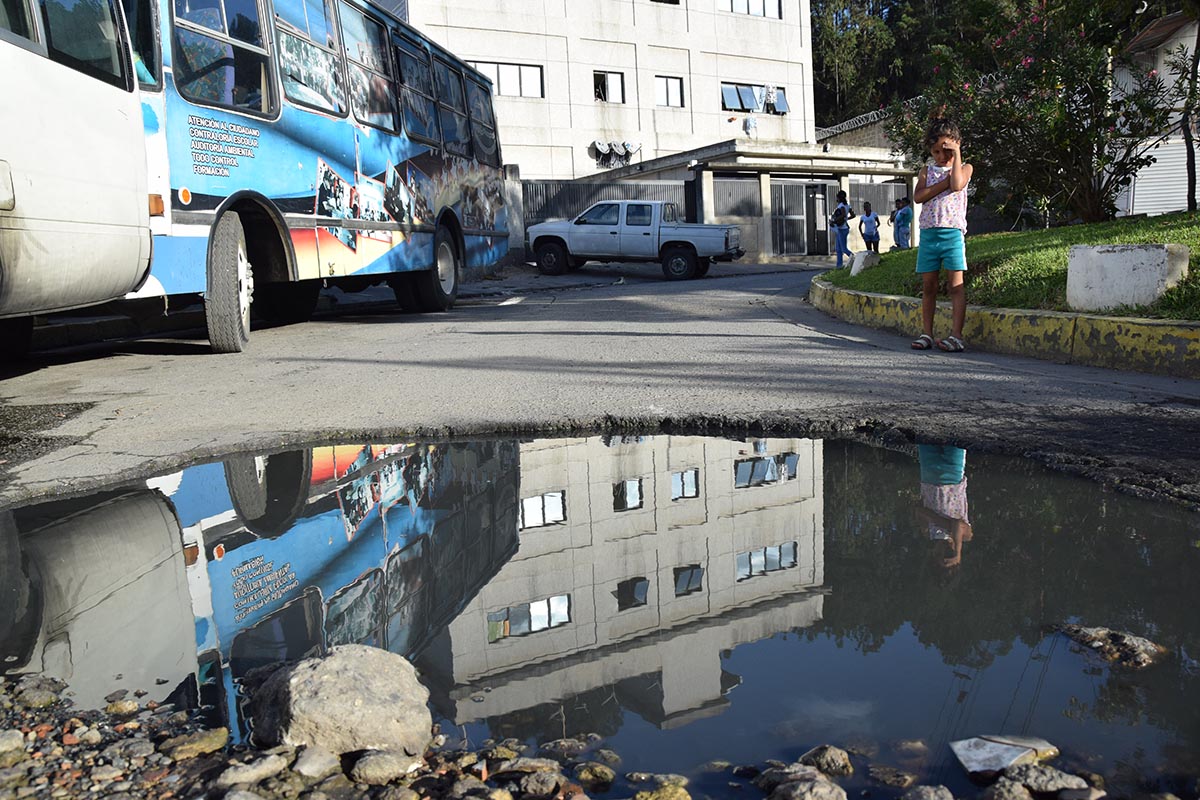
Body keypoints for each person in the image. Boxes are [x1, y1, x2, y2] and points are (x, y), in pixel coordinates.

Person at [911, 118, 972, 352]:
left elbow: (957, 185)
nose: (941, 156)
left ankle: (956, 335)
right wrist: (943, 182)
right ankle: (927, 332)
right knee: (929, 286)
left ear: (956, 145)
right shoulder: (926, 171)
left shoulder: (966, 168)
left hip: (953, 235)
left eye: (946, 150)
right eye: (936, 151)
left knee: (956, 286)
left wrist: (956, 155)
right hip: (929, 236)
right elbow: (919, 197)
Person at [916, 444, 973, 568]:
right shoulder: (966, 536)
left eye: (940, 554)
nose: (945, 550)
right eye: (949, 554)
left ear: (934, 552)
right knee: (955, 438)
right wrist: (957, 550)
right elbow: (958, 523)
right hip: (953, 474)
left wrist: (946, 526)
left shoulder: (928, 533)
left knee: (925, 438)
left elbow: (919, 510)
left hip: (929, 474)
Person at [830, 190, 854, 268]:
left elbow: (843, 214)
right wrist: (846, 219)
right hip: (842, 228)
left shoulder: (841, 205)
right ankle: (839, 266)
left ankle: (855, 259)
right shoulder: (847, 205)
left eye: (837, 197)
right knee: (838, 249)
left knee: (843, 249)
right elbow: (853, 215)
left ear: (839, 198)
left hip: (842, 229)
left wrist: (835, 220)